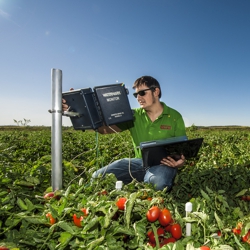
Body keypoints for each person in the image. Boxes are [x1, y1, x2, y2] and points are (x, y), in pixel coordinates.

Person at [62, 76, 186, 191]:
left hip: (163, 164)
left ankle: (149, 180)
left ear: (156, 92)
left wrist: (180, 163)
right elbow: (104, 129)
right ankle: (143, 178)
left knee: (158, 182)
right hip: (139, 163)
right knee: (97, 176)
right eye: (136, 94)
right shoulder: (133, 115)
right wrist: (79, 110)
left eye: (142, 93)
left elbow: (183, 151)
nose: (138, 98)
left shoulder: (175, 116)